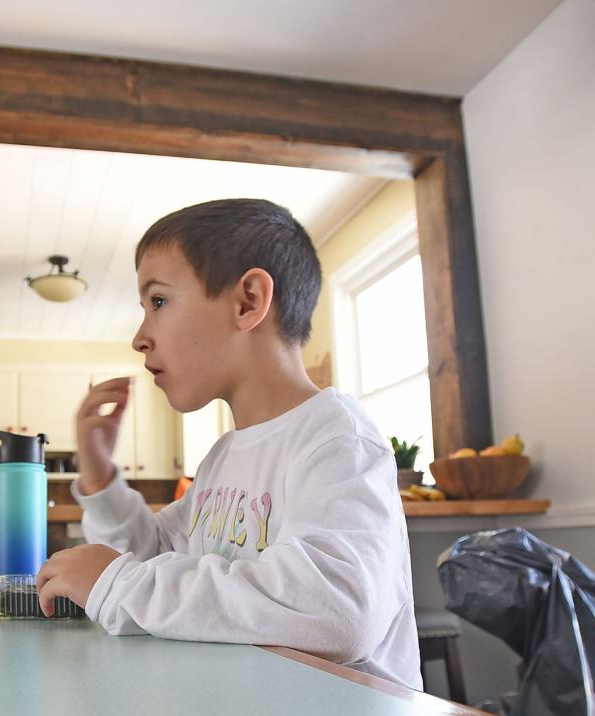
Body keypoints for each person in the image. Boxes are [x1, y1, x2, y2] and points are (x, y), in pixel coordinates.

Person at [36, 198, 421, 689]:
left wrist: (117, 584)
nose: (139, 337)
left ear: (248, 302)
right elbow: (153, 556)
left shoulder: (335, 434)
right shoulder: (223, 457)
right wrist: (99, 475)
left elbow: (337, 609)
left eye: (157, 302)